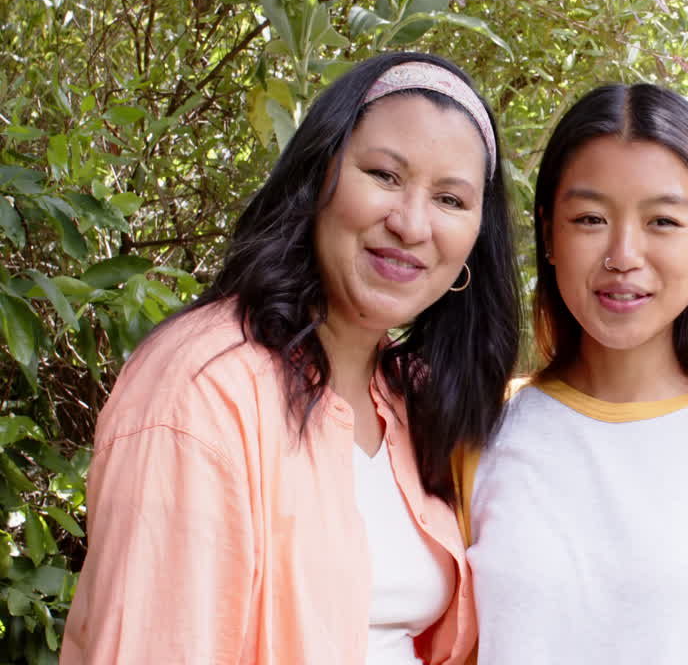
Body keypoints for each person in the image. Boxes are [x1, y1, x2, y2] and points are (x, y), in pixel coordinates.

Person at [62, 52, 520, 665]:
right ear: (318, 178)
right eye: (384, 175)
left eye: (450, 200)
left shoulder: (415, 399)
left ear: (474, 241)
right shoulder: (203, 387)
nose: (412, 224)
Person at [456, 83, 688, 664]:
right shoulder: (483, 429)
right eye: (589, 218)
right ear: (549, 234)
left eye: (662, 221)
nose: (623, 254)